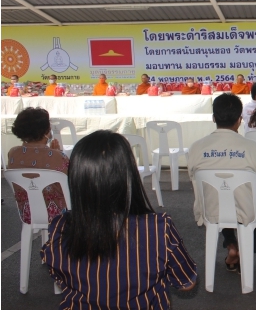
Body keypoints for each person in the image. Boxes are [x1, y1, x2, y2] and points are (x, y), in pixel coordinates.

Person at [41, 130, 196, 307]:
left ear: (77, 178)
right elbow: (187, 283)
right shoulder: (158, 227)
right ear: (128, 175)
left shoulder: (59, 227)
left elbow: (57, 273)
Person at [188, 93, 256, 273]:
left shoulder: (196, 147)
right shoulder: (252, 147)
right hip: (247, 210)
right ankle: (245, 251)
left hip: (211, 209)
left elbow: (192, 177)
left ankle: (231, 245)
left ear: (213, 118)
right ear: (240, 119)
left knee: (221, 197)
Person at [8, 107, 70, 222]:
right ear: (46, 131)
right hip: (58, 214)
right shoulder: (58, 157)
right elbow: (70, 183)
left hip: (27, 213)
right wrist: (57, 153)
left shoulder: (13, 153)